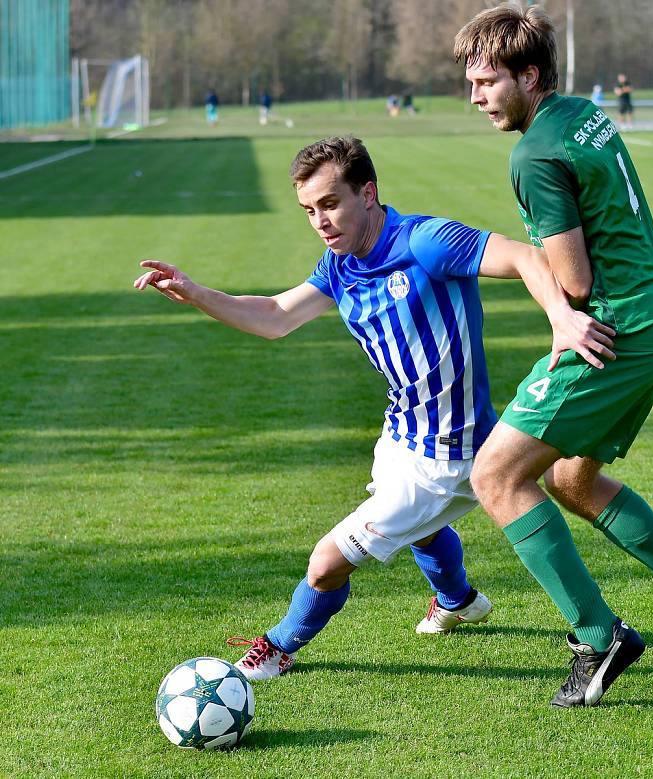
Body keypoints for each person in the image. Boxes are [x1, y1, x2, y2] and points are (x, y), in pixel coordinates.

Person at [133, 135, 615, 682]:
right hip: (401, 435)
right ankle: (458, 600)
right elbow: (273, 316)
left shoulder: (427, 241)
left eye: (330, 204)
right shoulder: (340, 265)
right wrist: (195, 292)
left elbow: (525, 255)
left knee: (326, 563)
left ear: (368, 192)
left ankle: (277, 646)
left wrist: (560, 316)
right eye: (309, 210)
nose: (320, 221)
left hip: (449, 458)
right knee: (424, 531)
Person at [455, 5, 653, 708]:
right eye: (470, 82)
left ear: (528, 76)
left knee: (495, 475)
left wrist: (556, 304)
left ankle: (598, 635)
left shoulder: (532, 155)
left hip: (612, 329)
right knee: (570, 478)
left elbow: (577, 280)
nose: (476, 96)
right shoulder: (582, 112)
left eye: (488, 81)